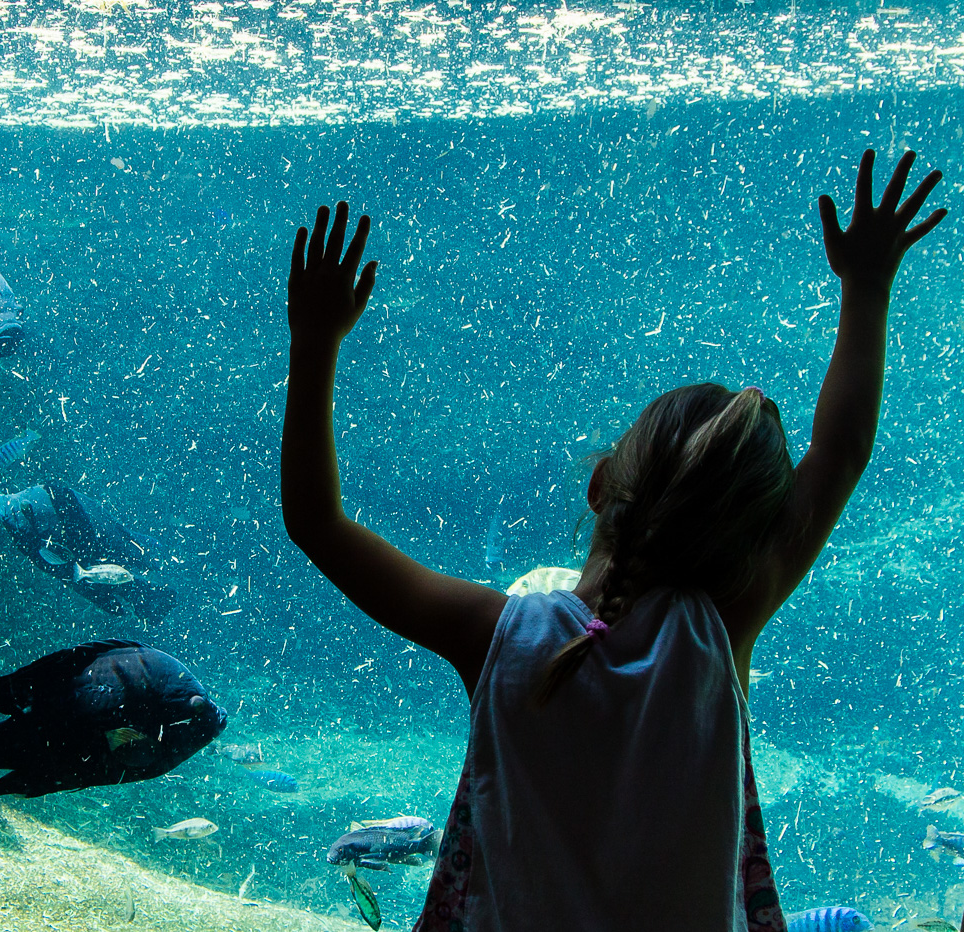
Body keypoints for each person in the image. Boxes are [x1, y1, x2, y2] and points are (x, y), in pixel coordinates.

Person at [279, 150, 946, 931]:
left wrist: (315, 339)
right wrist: (867, 288)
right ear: (748, 541)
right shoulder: (722, 628)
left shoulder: (497, 635)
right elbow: (840, 451)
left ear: (598, 490)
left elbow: (315, 523)